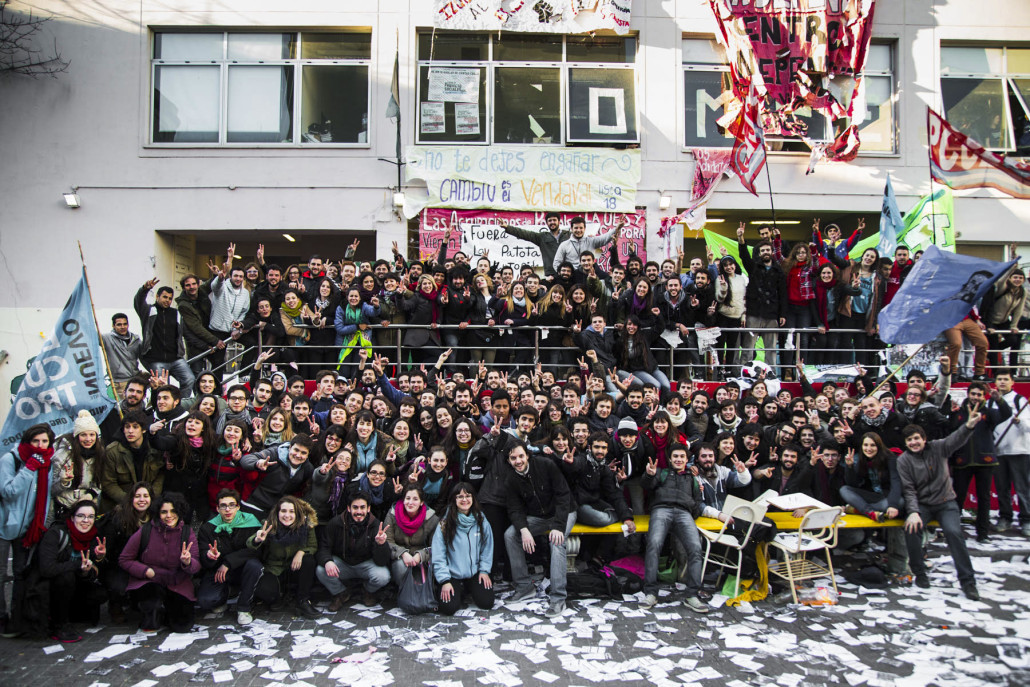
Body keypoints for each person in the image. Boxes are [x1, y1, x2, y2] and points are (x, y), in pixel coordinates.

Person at [899, 411, 984, 600]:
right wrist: (913, 512)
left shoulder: (938, 448)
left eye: (916, 438)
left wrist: (969, 426)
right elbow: (909, 489)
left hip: (946, 503)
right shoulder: (903, 460)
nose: (913, 443)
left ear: (924, 438)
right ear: (905, 443)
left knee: (954, 533)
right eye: (909, 440)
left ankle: (968, 582)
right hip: (923, 504)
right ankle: (919, 573)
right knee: (911, 529)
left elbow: (956, 439)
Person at [640, 444, 726, 613]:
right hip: (661, 509)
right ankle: (650, 592)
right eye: (675, 456)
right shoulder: (661, 473)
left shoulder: (692, 479)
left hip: (683, 513)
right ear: (670, 459)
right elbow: (647, 485)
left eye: (681, 457)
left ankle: (692, 594)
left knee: (695, 548)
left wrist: (694, 508)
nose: (678, 459)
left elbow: (697, 504)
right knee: (654, 545)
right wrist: (649, 475)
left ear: (687, 460)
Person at [504, 442, 574, 618]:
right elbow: (514, 508)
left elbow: (563, 495)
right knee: (511, 535)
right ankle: (524, 586)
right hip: (539, 517)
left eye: (521, 456)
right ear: (509, 460)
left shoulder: (545, 464)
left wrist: (558, 526)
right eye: (513, 458)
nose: (518, 461)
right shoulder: (511, 479)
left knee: (556, 541)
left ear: (527, 455)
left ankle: (558, 598)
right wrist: (524, 529)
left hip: (564, 513)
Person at [0, 424, 56, 637]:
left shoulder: (47, 463)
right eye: (36, 441)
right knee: (0, 575)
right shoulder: (12, 460)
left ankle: (17, 618)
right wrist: (29, 468)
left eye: (44, 441)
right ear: (27, 441)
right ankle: (1, 616)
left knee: (20, 574)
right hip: (4, 524)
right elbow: (9, 491)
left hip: (28, 528)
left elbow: (46, 495)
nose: (40, 446)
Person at [118, 491, 201, 633]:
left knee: (182, 625)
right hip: (150, 581)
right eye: (164, 512)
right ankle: (152, 611)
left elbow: (196, 565)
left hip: (176, 582)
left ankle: (167, 611)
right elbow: (124, 559)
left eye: (173, 511)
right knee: (150, 620)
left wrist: (187, 562)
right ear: (158, 513)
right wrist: (145, 571)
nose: (169, 516)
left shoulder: (187, 532)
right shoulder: (147, 530)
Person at [37, 499, 108, 642]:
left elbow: (93, 572)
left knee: (100, 594)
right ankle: (59, 623)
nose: (86, 520)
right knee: (66, 577)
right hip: (50, 586)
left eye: (90, 517)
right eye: (81, 516)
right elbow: (47, 569)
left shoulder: (94, 536)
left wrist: (97, 560)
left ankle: (71, 615)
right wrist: (77, 565)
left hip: (75, 585)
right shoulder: (56, 533)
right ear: (72, 517)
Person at [949, 382, 1011, 541]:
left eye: (979, 395)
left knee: (984, 499)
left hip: (985, 460)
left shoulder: (989, 413)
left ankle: (982, 533)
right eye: (973, 394)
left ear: (984, 396)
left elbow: (1006, 414)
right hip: (962, 461)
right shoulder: (958, 412)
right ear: (968, 394)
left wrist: (999, 400)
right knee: (958, 498)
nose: (976, 397)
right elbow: (950, 430)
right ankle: (955, 532)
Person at [242, 495, 320, 621]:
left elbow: (312, 545)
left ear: (297, 513)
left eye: (291, 511)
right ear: (277, 512)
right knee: (266, 592)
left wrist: (300, 552)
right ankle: (280, 597)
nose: (287, 515)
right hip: (274, 568)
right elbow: (250, 544)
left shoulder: (305, 525)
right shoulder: (269, 525)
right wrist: (257, 539)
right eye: (283, 511)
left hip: (294, 566)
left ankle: (303, 600)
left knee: (308, 560)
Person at [315, 491, 391, 611]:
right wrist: (327, 561)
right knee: (321, 570)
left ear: (368, 509)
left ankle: (367, 591)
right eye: (355, 507)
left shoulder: (375, 525)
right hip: (343, 563)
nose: (359, 512)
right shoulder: (336, 523)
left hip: (366, 564)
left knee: (383, 576)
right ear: (349, 508)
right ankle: (341, 593)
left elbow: (382, 561)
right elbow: (324, 547)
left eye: (362, 507)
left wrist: (380, 544)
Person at [196, 489, 262, 619]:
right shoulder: (208, 528)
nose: (228, 509)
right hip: (219, 571)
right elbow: (203, 557)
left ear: (238, 507)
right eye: (223, 506)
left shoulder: (250, 522)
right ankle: (228, 594)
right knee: (206, 601)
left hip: (242, 568)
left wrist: (228, 562)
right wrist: (209, 557)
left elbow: (255, 551)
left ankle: (244, 607)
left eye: (232, 505)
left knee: (255, 566)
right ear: (217, 508)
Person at [432, 483, 495, 615]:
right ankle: (456, 589)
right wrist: (444, 580)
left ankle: (468, 588)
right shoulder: (445, 523)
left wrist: (484, 570)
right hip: (452, 574)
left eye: (468, 496)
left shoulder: (481, 519)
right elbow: (439, 554)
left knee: (487, 603)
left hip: (474, 572)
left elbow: (487, 547)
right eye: (460, 496)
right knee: (448, 608)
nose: (464, 500)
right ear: (454, 500)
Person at [97, 481, 154, 624]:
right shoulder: (118, 519)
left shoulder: (155, 519)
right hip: (119, 565)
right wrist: (101, 555)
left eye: (146, 496)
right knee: (118, 586)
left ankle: (137, 602)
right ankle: (115, 605)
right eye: (137, 496)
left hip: (142, 563)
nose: (142, 500)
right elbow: (109, 549)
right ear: (131, 499)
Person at [133, 279, 196, 395]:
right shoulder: (149, 311)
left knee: (189, 379)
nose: (167, 300)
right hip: (156, 359)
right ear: (157, 296)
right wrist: (145, 289)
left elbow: (185, 332)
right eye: (165, 297)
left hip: (176, 358)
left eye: (170, 298)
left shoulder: (176, 313)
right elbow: (138, 302)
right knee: (161, 387)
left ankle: (179, 405)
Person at [101, 410, 166, 514]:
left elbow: (160, 476)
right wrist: (131, 501)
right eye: (127, 427)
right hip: (122, 506)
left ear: (143, 430)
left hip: (149, 504)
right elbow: (108, 483)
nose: (130, 431)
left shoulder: (154, 448)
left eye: (135, 427)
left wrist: (149, 498)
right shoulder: (113, 451)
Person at [239, 434, 316, 519]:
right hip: (254, 504)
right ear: (290, 447)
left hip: (277, 512)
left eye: (303, 453)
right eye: (296, 450)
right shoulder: (274, 454)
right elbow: (246, 459)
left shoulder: (308, 469)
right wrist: (257, 463)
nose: (298, 455)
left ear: (308, 454)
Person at [49, 410, 107, 524]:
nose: (88, 439)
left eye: (92, 434)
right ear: (77, 436)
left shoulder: (100, 454)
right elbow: (51, 490)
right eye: (83, 434)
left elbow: (100, 483)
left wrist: (90, 495)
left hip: (87, 508)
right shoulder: (63, 455)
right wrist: (64, 482)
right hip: (63, 506)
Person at [992, 370, 1030, 536]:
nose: (1002, 382)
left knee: (1022, 488)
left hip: (1019, 450)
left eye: (1005, 379)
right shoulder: (990, 403)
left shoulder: (1019, 400)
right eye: (999, 379)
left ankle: (1026, 519)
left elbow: (1028, 426)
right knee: (1002, 488)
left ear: (1012, 382)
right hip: (999, 450)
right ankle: (1005, 517)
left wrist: (1019, 421)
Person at [384, 485, 440, 589]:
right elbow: (388, 541)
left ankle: (424, 592)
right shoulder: (392, 514)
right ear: (403, 499)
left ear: (421, 502)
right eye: (408, 498)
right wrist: (403, 553)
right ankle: (403, 592)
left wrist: (421, 555)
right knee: (399, 566)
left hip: (421, 559)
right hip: (399, 557)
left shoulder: (432, 518)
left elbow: (436, 546)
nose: (410, 502)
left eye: (415, 499)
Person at [502, 213, 570, 278]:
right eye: (550, 221)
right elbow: (524, 234)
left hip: (568, 273)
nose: (552, 222)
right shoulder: (542, 237)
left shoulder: (568, 235)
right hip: (551, 275)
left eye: (554, 220)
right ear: (547, 223)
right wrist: (508, 227)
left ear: (559, 221)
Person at [102, 313, 143, 399]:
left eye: (125, 324)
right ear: (113, 325)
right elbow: (90, 338)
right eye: (119, 324)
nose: (122, 327)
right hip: (119, 382)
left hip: (134, 378)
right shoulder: (106, 338)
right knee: (126, 407)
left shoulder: (135, 339)